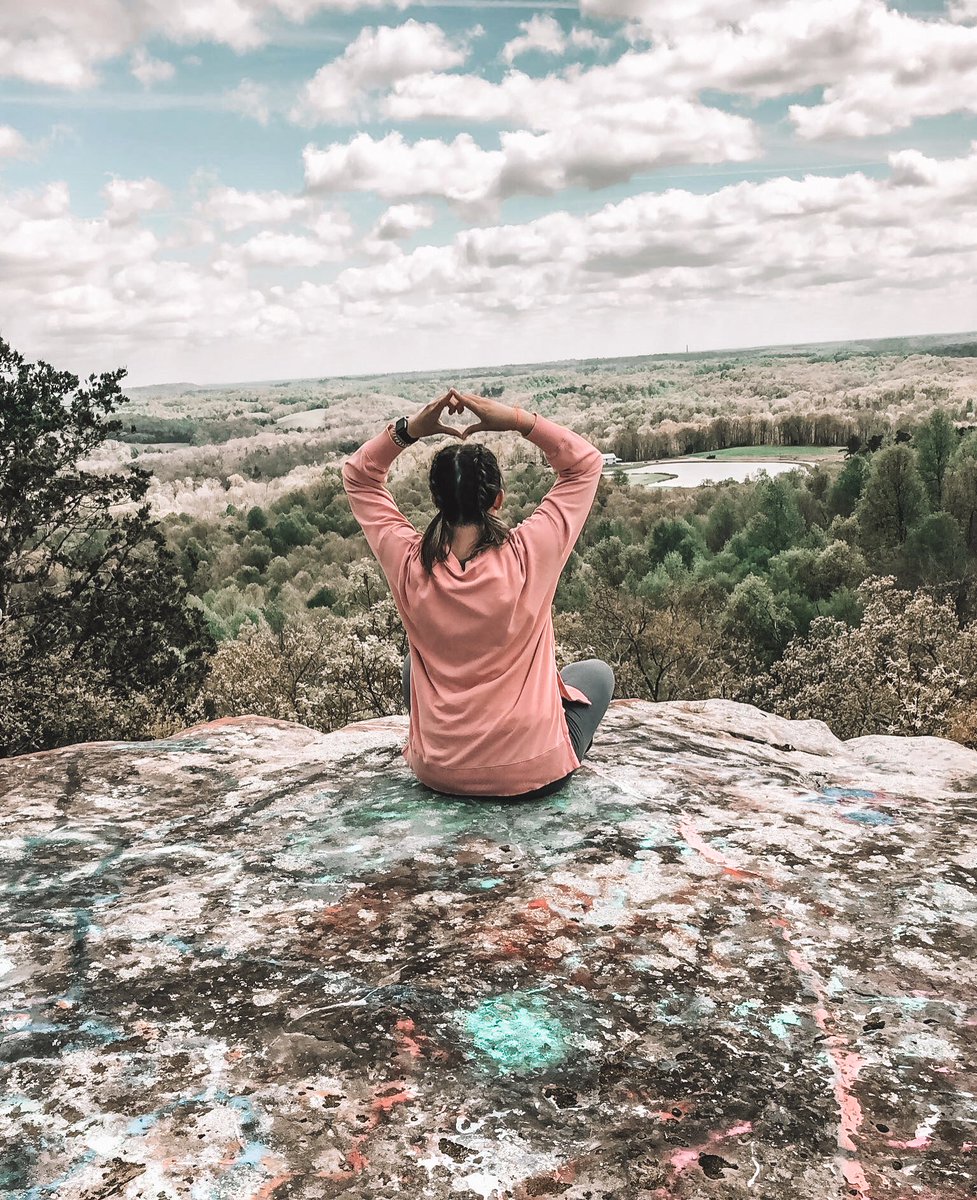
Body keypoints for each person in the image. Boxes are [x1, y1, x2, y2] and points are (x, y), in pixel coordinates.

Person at [341, 387, 614, 801]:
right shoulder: (529, 554)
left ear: (436, 501)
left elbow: (359, 477)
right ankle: (541, 747)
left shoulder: (410, 564)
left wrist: (409, 430)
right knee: (596, 675)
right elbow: (584, 464)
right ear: (498, 500)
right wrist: (519, 420)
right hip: (531, 770)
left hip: (440, 773)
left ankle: (457, 752)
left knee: (414, 666)